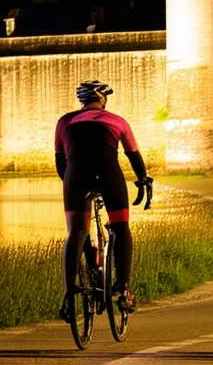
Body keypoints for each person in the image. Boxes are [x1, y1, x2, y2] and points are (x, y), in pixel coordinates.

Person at [55, 80, 151, 323]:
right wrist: (143, 181)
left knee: (76, 233)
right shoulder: (117, 121)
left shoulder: (64, 122)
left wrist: (73, 186)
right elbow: (134, 157)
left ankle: (69, 295)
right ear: (102, 99)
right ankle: (125, 290)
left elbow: (60, 163)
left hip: (75, 176)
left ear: (82, 101)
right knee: (121, 228)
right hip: (109, 174)